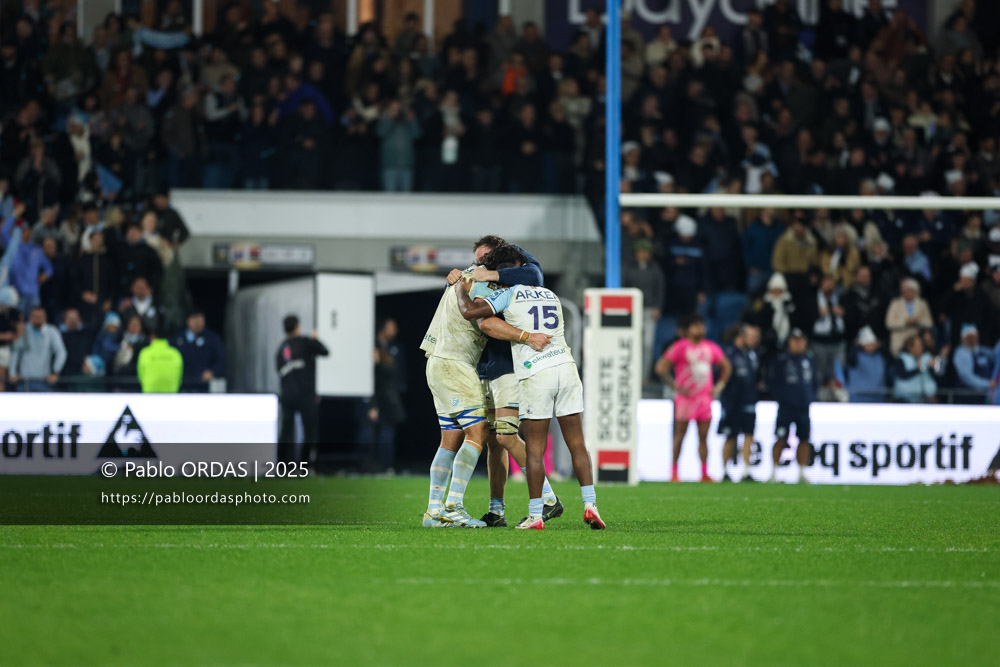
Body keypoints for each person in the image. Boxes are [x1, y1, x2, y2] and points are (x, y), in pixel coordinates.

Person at [456, 244, 606, 530]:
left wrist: (464, 287)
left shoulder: (507, 294)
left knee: (535, 450)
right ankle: (591, 505)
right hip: (566, 367)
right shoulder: (551, 294)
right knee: (577, 443)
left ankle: (536, 515)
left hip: (536, 373)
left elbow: (471, 313)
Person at [420, 243, 548, 528]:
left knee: (450, 439)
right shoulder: (478, 283)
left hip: (437, 362)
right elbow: (486, 324)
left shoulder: (463, 277)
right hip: (455, 364)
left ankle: (433, 511)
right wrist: (527, 336)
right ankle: (453, 507)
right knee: (478, 431)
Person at [449, 237, 562, 526]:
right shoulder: (485, 282)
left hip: (510, 368)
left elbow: (485, 320)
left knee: (506, 436)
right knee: (493, 442)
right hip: (487, 367)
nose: (480, 264)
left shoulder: (516, 284)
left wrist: (471, 283)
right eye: (476, 259)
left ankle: (549, 499)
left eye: (486, 257)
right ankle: (496, 509)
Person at [655, 313, 733, 483]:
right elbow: (661, 367)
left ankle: (704, 473)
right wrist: (676, 386)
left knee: (704, 436)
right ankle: (674, 472)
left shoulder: (711, 347)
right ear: (688, 329)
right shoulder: (680, 347)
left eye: (702, 325)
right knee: (680, 435)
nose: (700, 329)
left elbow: (726, 366)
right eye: (696, 325)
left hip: (704, 399)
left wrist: (719, 386)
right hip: (686, 399)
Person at [276, 315, 329, 463]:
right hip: (306, 395)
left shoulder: (281, 348)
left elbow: (279, 371)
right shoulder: (305, 342)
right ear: (297, 327)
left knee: (286, 431)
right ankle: (305, 466)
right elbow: (325, 351)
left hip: (288, 395)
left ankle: (282, 466)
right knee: (309, 432)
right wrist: (315, 339)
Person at [768, 329, 819, 484]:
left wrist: (810, 398)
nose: (798, 343)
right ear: (790, 342)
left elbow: (814, 382)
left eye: (801, 340)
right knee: (780, 437)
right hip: (786, 407)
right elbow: (773, 382)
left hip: (803, 407)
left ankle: (802, 472)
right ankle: (774, 472)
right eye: (795, 340)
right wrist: (781, 398)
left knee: (804, 439)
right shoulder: (781, 360)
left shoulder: (809, 360)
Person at [719, 323, 761, 482]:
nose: (755, 340)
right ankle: (724, 471)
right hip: (732, 401)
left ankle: (746, 471)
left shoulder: (753, 354)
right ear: (741, 337)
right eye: (751, 337)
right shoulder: (728, 354)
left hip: (749, 400)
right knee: (730, 436)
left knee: (749, 435)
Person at [9, 306, 66, 392]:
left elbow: (61, 352)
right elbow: (16, 351)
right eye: (35, 316)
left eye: (40, 317)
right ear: (30, 317)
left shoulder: (51, 331)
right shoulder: (24, 330)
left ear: (45, 318)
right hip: (24, 381)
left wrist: (55, 372)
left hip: (44, 381)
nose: (38, 319)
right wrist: (12, 373)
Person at [173, 309, 225, 391]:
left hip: (203, 385)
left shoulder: (212, 338)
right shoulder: (177, 338)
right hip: (182, 385)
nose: (198, 323)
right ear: (188, 320)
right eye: (195, 320)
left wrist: (212, 372)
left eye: (201, 320)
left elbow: (221, 359)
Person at [952, 324, 996, 404]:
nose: (974, 339)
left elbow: (995, 355)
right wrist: (988, 384)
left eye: (975, 336)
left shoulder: (982, 350)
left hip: (984, 396)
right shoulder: (962, 353)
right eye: (970, 337)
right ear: (963, 338)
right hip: (967, 397)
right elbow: (967, 378)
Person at [845, 326, 888, 403]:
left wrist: (881, 345)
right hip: (858, 397)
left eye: (872, 344)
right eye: (868, 344)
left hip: (877, 397)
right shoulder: (855, 356)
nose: (871, 347)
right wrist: (855, 345)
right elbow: (850, 358)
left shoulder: (880, 356)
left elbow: (889, 357)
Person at [892, 334, 938, 403]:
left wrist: (935, 366)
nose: (921, 348)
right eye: (918, 346)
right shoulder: (902, 358)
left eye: (922, 345)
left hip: (920, 399)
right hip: (904, 400)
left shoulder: (925, 357)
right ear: (910, 347)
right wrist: (918, 370)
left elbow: (932, 376)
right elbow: (902, 375)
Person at [137, 325, 183, 393]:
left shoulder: (145, 353)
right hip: (171, 395)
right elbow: (180, 377)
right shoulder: (175, 353)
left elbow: (140, 376)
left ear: (152, 337)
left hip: (150, 394)